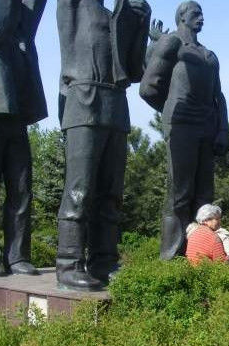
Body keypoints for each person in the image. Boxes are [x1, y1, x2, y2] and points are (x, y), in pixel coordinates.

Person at [55, 0, 151, 291]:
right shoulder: (74, 8)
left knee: (111, 193)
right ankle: (69, 263)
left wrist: (140, 21)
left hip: (116, 105)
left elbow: (135, 70)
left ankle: (104, 261)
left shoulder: (118, 17)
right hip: (84, 100)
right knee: (79, 190)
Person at [140, 1, 229, 260]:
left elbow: (219, 95)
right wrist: (172, 110)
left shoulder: (210, 55)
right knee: (179, 194)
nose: (201, 18)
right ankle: (171, 258)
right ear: (182, 16)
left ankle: (200, 255)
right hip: (182, 125)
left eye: (202, 14)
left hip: (207, 127)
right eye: (195, 13)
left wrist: (223, 129)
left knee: (204, 196)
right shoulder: (172, 44)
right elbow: (148, 87)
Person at [0, 0, 48, 276]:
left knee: (22, 189)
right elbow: (4, 13)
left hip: (16, 117)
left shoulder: (21, 40)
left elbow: (32, 11)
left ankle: (17, 256)